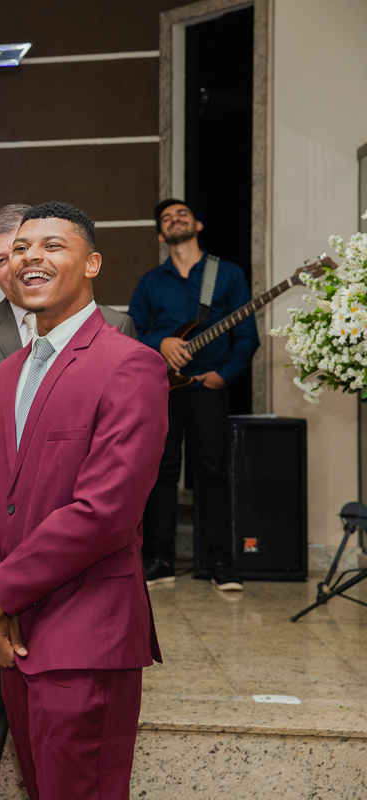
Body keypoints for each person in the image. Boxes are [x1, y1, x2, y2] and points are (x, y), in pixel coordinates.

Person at [0, 205, 136, 800]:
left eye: (48, 247)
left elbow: (108, 502)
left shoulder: (124, 351)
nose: (25, 261)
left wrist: (0, 589)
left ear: (90, 263)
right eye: (14, 253)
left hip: (79, 597)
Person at [129, 199, 259, 592]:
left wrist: (225, 375)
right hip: (162, 390)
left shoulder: (226, 274)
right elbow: (131, 334)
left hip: (207, 388)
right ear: (160, 235)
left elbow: (247, 336)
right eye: (166, 218)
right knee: (160, 474)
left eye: (182, 214)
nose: (175, 219)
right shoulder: (151, 282)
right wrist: (161, 342)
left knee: (213, 473)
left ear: (197, 225)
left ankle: (221, 562)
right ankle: (160, 559)